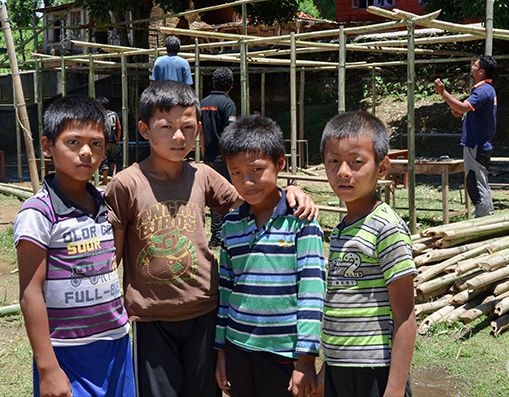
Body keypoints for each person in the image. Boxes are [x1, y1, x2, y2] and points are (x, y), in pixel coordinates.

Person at [104, 80, 318, 397]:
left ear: (199, 130)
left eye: (188, 127)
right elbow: (113, 257)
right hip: (151, 318)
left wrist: (289, 192)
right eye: (167, 127)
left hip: (204, 311)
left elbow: (252, 196)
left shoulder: (202, 175)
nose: (179, 137)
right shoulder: (126, 184)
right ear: (145, 129)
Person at [14, 95, 134, 397]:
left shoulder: (105, 205)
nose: (86, 153)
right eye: (73, 143)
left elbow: (111, 263)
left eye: (96, 144)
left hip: (116, 344)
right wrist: (48, 368)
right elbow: (30, 292)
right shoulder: (38, 214)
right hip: (65, 352)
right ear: (46, 146)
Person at [214, 115, 325, 397]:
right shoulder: (231, 225)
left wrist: (306, 358)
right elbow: (225, 291)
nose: (247, 182)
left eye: (256, 169)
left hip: (284, 353)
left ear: (280, 163)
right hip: (238, 347)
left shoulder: (302, 220)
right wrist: (221, 351)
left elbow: (312, 291)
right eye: (236, 173)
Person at [316, 111, 417, 397]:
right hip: (339, 370)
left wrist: (395, 390)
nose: (343, 171)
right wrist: (327, 370)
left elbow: (405, 316)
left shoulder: (386, 227)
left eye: (356, 162)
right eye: (333, 161)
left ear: (382, 167)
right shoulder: (339, 231)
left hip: (375, 372)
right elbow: (340, 307)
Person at [434, 54, 498, 218]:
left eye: (475, 65)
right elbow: (471, 112)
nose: (472, 67)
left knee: (476, 182)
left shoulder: (483, 90)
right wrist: (462, 115)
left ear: (482, 71)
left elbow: (463, 107)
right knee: (478, 181)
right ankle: (487, 216)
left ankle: (484, 219)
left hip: (476, 144)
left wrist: (443, 93)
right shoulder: (487, 89)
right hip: (479, 143)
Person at [199, 67, 238, 247]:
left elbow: (200, 131)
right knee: (226, 195)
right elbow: (230, 134)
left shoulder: (203, 103)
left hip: (208, 156)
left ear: (213, 83)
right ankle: (220, 235)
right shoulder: (228, 104)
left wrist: (203, 152)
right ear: (231, 85)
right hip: (223, 158)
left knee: (214, 196)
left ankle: (217, 234)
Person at [96, 97, 122, 185]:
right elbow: (119, 127)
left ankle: (105, 181)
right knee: (112, 159)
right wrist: (118, 140)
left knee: (104, 161)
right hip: (113, 140)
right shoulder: (114, 114)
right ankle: (114, 175)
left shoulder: (101, 115)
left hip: (105, 141)